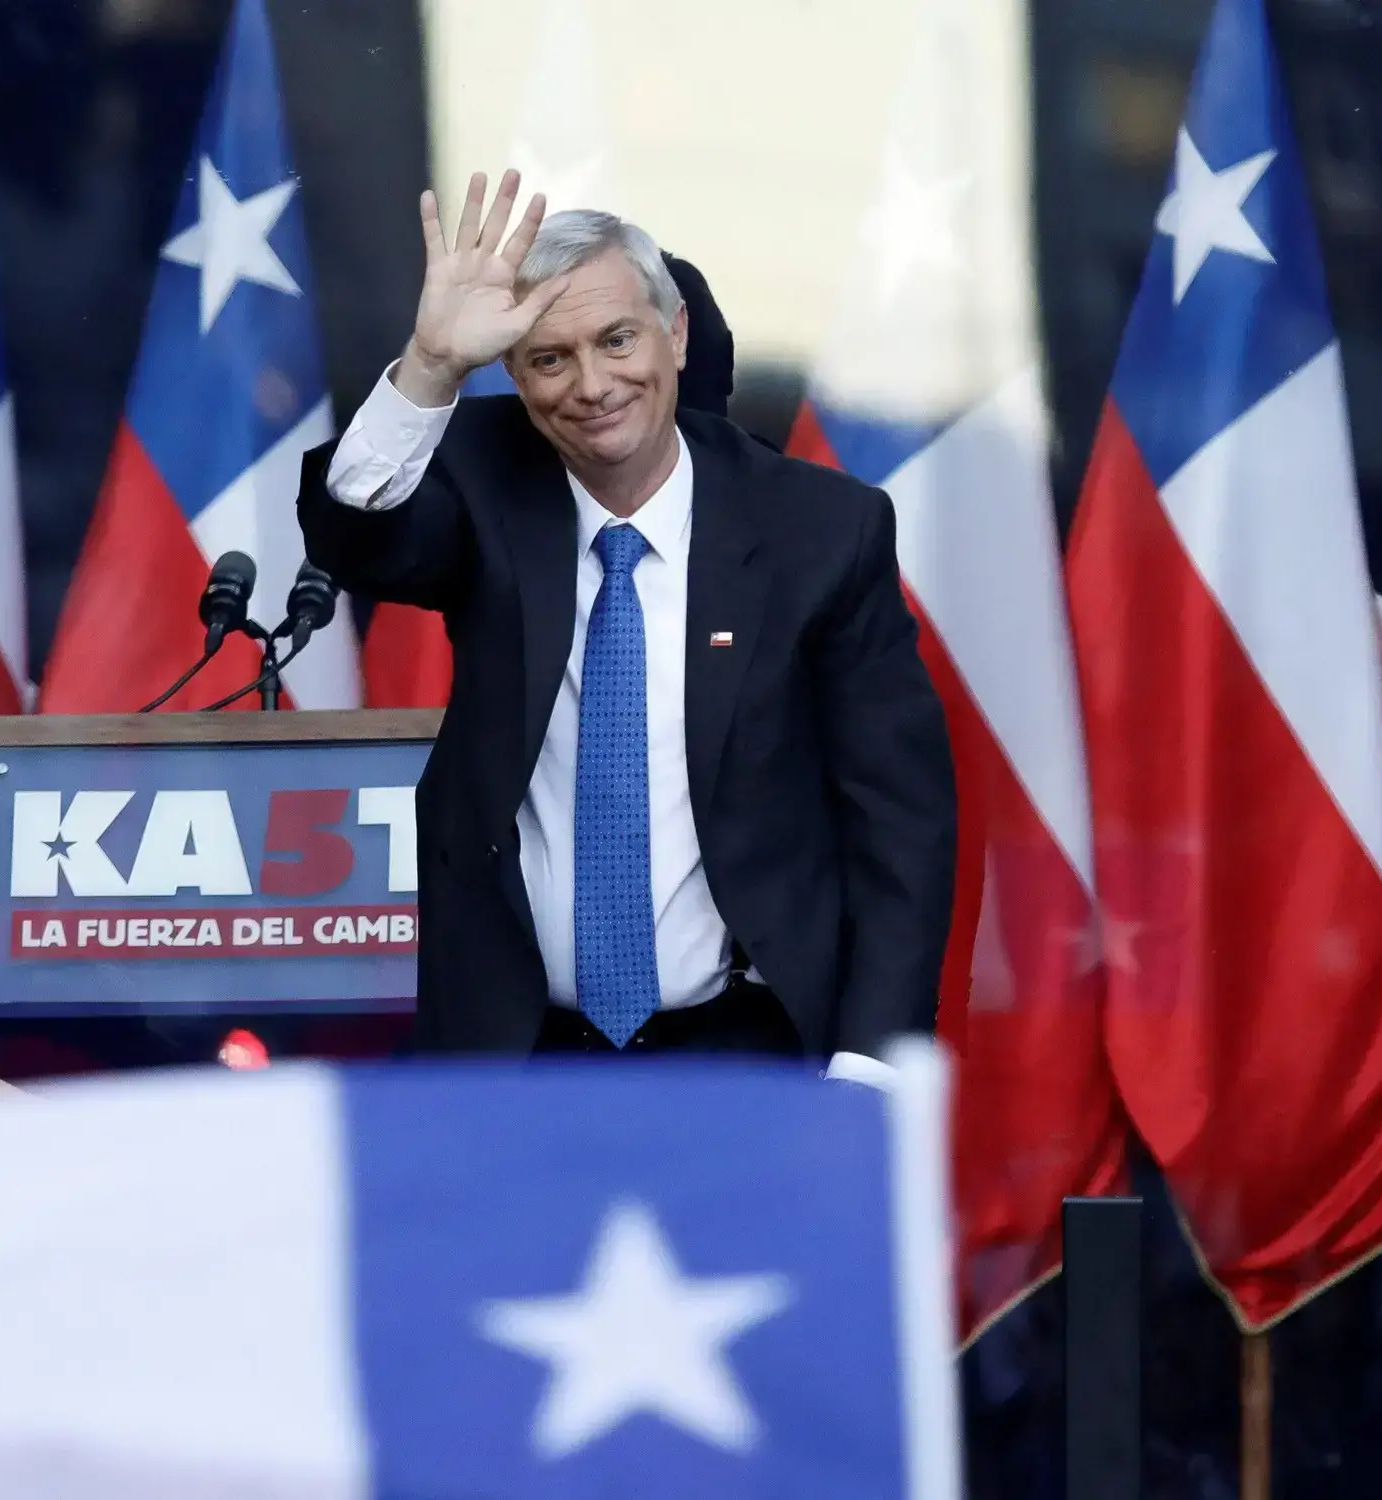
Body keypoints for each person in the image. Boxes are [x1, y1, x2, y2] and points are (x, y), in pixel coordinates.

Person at [297, 170, 957, 1078]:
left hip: (750, 1045)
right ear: (516, 375)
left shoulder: (820, 530)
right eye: (550, 358)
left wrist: (867, 1069)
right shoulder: (485, 481)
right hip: (518, 1054)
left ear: (676, 334)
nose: (593, 385)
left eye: (617, 340)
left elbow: (900, 822)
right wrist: (431, 367)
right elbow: (355, 535)